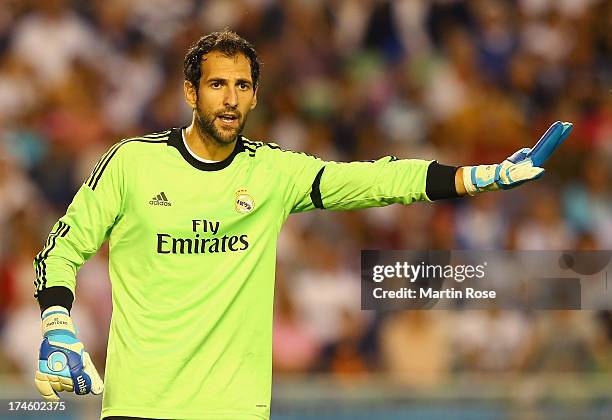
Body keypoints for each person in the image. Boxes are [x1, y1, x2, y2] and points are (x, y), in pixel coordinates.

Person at [32, 30, 572, 420]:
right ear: (191, 93)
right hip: (141, 410)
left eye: (243, 85)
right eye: (217, 84)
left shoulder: (272, 172)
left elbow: (374, 180)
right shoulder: (132, 162)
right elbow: (62, 247)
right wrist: (57, 321)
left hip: (237, 411)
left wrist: (478, 177)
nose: (231, 98)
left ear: (255, 96)